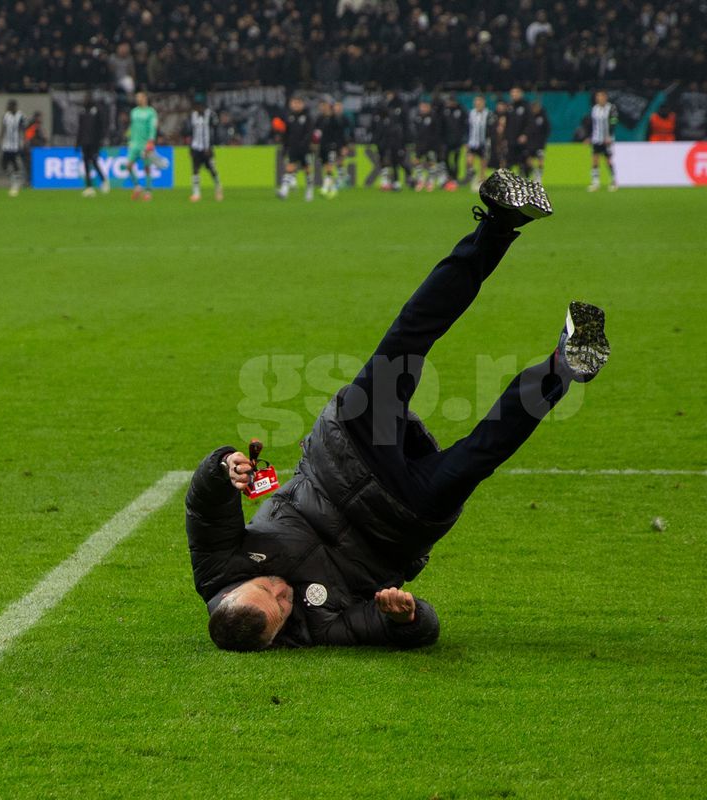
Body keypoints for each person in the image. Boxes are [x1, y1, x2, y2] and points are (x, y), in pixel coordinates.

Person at [187, 170, 609, 651]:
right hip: (403, 518)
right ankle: (566, 363)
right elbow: (413, 628)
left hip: (343, 456)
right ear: (278, 634)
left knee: (409, 337)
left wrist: (224, 468)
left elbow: (204, 508)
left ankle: (499, 223)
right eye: (281, 610)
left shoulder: (215, 569)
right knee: (483, 452)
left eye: (265, 590)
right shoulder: (321, 630)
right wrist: (406, 617)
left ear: (230, 594)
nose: (282, 592)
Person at [187, 94, 223, 202]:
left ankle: (218, 187)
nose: (198, 107)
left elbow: (214, 132)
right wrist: (190, 147)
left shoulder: (210, 115)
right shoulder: (193, 115)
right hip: (196, 146)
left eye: (199, 105)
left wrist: (211, 146)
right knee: (195, 170)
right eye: (196, 105)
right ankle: (196, 193)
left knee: (211, 169)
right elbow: (192, 132)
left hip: (207, 148)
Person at [277, 96, 314, 201]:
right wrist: (285, 147)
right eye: (294, 103)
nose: (296, 105)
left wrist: (305, 144)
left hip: (305, 148)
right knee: (289, 167)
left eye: (298, 103)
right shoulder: (289, 117)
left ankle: (309, 189)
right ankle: (284, 191)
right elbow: (286, 134)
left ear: (302, 104)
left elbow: (309, 133)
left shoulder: (307, 117)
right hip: (293, 147)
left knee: (307, 169)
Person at [126, 91, 160, 201]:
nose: (138, 99)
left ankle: (148, 191)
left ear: (145, 98)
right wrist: (129, 138)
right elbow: (132, 127)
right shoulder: (134, 112)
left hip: (145, 144)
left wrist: (151, 141)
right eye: (137, 98)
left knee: (147, 167)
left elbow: (153, 127)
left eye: (140, 97)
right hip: (134, 143)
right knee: (128, 165)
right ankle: (137, 186)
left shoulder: (151, 112)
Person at [76, 93, 109, 197]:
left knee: (94, 161)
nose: (85, 101)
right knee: (86, 163)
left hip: (94, 142)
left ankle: (104, 181)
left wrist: (100, 141)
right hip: (85, 142)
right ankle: (89, 187)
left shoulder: (96, 111)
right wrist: (77, 143)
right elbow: (80, 129)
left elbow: (101, 127)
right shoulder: (82, 112)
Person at [586, 90, 618, 192]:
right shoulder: (594, 109)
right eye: (597, 97)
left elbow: (613, 121)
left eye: (600, 96)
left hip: (607, 139)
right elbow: (593, 125)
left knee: (608, 160)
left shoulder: (611, 108)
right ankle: (595, 183)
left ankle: (614, 181)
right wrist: (590, 137)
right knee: (594, 160)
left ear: (605, 97)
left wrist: (610, 136)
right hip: (596, 138)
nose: (599, 98)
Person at [316, 100, 347, 198]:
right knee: (325, 166)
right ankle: (333, 188)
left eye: (324, 105)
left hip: (332, 145)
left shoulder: (335, 119)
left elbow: (341, 134)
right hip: (322, 145)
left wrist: (342, 146)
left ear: (329, 107)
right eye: (321, 105)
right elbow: (316, 132)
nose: (322, 107)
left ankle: (325, 188)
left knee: (330, 165)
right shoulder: (320, 118)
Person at [412, 99, 443, 192]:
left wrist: (436, 144)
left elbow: (437, 132)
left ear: (429, 107)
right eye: (422, 107)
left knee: (431, 163)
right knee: (417, 161)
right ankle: (421, 180)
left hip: (431, 145)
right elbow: (416, 132)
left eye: (425, 107)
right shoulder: (417, 117)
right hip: (419, 144)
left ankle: (430, 181)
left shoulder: (434, 117)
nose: (423, 108)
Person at [0, 99, 27, 197]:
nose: (8, 108)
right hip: (7, 145)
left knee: (15, 165)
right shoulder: (6, 116)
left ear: (14, 106)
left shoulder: (21, 116)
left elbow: (24, 130)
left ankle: (16, 184)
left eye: (9, 106)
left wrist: (24, 142)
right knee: (4, 165)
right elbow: (3, 129)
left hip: (16, 146)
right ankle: (15, 181)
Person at [465, 95, 492, 191]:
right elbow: (467, 128)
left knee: (483, 163)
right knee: (469, 161)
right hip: (472, 142)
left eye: (479, 102)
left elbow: (490, 128)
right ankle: (473, 175)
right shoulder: (471, 113)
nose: (478, 104)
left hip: (483, 142)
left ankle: (481, 180)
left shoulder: (488, 113)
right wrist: (466, 140)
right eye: (476, 102)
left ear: (483, 103)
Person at [441, 95, 466, 192]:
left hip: (457, 141)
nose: (450, 103)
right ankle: (450, 176)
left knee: (456, 160)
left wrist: (462, 139)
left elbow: (464, 125)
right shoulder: (445, 111)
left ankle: (454, 179)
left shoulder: (461, 111)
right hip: (446, 141)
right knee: (445, 160)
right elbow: (441, 125)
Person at [506, 87, 530, 175]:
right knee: (509, 162)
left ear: (521, 94)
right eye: (512, 93)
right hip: (511, 139)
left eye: (516, 93)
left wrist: (525, 134)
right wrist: (505, 137)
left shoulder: (526, 106)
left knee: (522, 162)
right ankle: (509, 183)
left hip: (522, 140)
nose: (514, 95)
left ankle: (522, 181)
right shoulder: (509, 107)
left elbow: (530, 122)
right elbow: (507, 123)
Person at [526, 99, 550, 184]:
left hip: (540, 144)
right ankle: (535, 174)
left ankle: (539, 178)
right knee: (529, 161)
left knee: (540, 160)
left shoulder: (543, 117)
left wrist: (543, 140)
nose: (535, 109)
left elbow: (547, 129)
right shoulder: (529, 118)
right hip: (530, 143)